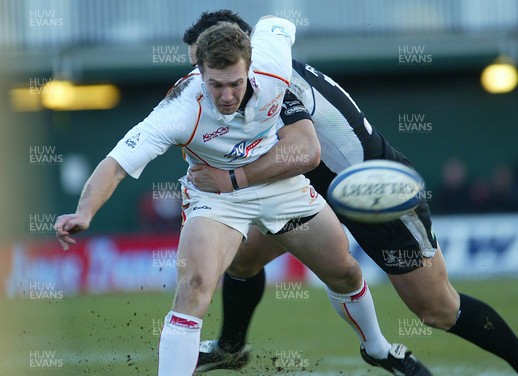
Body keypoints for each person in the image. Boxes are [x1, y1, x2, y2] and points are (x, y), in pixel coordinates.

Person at [183, 10, 518, 376]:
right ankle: (232, 349)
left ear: (240, 56)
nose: (199, 79)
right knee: (243, 259)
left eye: (204, 66)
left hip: (373, 191)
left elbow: (304, 152)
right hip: (311, 187)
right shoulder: (249, 78)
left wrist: (229, 178)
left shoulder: (270, 86)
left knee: (437, 309)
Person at [54, 15, 431, 376]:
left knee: (345, 271)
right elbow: (116, 163)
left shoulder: (273, 60)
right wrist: (84, 212)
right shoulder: (179, 109)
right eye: (216, 84)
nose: (227, 94)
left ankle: (378, 348)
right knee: (195, 287)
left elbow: (278, 23)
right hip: (214, 197)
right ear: (199, 73)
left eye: (235, 82)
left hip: (279, 184)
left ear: (250, 65)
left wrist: (237, 175)